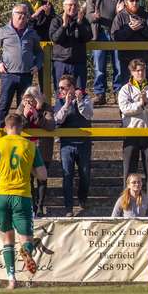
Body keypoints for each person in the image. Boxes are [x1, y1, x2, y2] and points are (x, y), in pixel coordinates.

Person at [0, 113, 47, 289]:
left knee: (7, 239)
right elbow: (43, 175)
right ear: (21, 127)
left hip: (1, 196)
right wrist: (30, 170)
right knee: (26, 239)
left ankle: (11, 279)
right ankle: (26, 253)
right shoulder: (30, 145)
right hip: (22, 196)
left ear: (5, 127)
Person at [0, 3, 44, 127]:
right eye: (20, 13)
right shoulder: (4, 31)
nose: (22, 16)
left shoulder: (31, 33)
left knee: (24, 105)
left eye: (25, 14)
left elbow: (39, 52)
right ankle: (0, 131)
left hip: (26, 75)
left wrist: (37, 65)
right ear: (13, 15)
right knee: (4, 104)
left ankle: (22, 131)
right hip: (8, 74)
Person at [118, 59, 148, 202]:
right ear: (131, 72)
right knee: (129, 169)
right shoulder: (125, 89)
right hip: (131, 132)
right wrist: (141, 104)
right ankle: (127, 199)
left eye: (142, 70)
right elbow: (125, 108)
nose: (140, 73)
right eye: (137, 70)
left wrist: (147, 102)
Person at [54, 74, 93, 217]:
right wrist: (66, 104)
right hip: (66, 144)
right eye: (59, 88)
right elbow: (57, 120)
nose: (61, 90)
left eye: (63, 87)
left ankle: (82, 198)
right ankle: (68, 207)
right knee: (67, 175)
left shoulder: (85, 97)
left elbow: (89, 115)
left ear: (72, 87)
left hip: (83, 143)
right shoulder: (59, 100)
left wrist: (79, 100)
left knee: (85, 174)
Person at [86, 0, 124, 105]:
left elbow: (125, 16)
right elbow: (87, 16)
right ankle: (100, 94)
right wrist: (93, 17)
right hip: (99, 34)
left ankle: (118, 93)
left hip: (115, 35)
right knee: (99, 66)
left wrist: (121, 12)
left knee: (118, 66)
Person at [16, 87, 55, 216]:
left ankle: (40, 206)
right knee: (28, 179)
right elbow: (15, 124)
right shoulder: (22, 107)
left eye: (33, 99)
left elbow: (51, 125)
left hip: (42, 149)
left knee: (42, 179)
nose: (30, 102)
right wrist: (25, 115)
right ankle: (32, 206)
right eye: (28, 99)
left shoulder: (46, 107)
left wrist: (37, 115)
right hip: (26, 149)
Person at [111, 0, 148, 87]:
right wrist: (130, 29)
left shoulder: (147, 16)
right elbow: (115, 36)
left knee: (145, 88)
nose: (135, 3)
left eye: (137, 0)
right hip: (126, 60)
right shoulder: (120, 17)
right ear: (126, 2)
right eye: (132, 0)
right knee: (127, 87)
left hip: (143, 59)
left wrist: (142, 28)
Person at [49, 0, 93, 91]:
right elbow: (55, 39)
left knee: (79, 93)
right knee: (61, 93)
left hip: (79, 62)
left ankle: (78, 106)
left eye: (75, 5)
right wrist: (64, 26)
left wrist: (80, 24)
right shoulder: (56, 20)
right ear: (64, 7)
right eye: (70, 5)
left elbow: (88, 37)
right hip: (61, 62)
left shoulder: (83, 20)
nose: (73, 7)